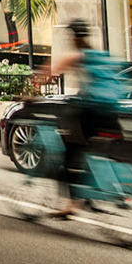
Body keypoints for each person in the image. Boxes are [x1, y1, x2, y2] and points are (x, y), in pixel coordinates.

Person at [42, 19, 126, 218]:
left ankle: (71, 204)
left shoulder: (78, 56)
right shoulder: (102, 56)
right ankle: (93, 195)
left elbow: (48, 72)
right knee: (95, 154)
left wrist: (28, 94)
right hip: (113, 116)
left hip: (93, 116)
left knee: (68, 153)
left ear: (73, 37)